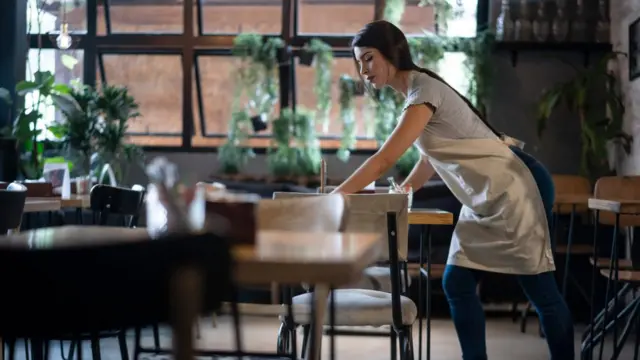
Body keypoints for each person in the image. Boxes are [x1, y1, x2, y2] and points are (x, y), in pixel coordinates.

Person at [330, 20, 575, 360]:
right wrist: (403, 191)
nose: (364, 70)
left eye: (368, 58)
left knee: (540, 289)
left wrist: (332, 199)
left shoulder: (423, 90)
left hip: (516, 186)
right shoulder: (415, 95)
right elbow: (429, 159)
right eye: (359, 63)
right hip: (485, 197)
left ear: (392, 52)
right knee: (456, 283)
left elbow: (384, 159)